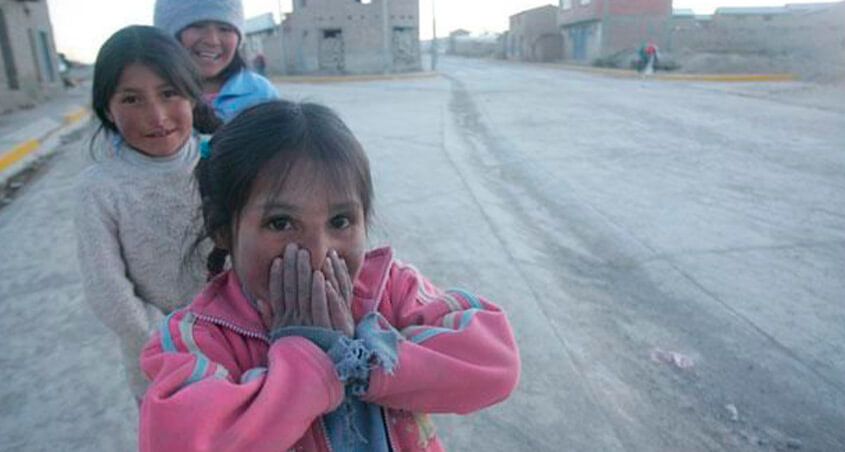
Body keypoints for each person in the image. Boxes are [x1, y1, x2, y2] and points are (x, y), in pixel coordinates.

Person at [139, 100, 521, 451]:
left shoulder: (389, 289)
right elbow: (179, 440)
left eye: (340, 221)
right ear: (222, 228)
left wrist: (361, 357)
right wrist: (307, 359)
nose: (319, 253)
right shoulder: (199, 336)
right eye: (281, 222)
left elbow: (495, 362)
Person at [74, 25, 219, 401]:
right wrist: (176, 342)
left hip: (242, 350)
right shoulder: (100, 189)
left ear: (191, 94)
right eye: (132, 99)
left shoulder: (223, 160)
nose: (156, 116)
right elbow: (108, 291)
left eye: (169, 93)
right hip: (161, 368)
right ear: (107, 107)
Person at [154, 0, 279, 122]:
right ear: (168, 37)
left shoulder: (261, 93)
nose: (212, 41)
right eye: (198, 26)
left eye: (225, 29)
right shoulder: (148, 93)